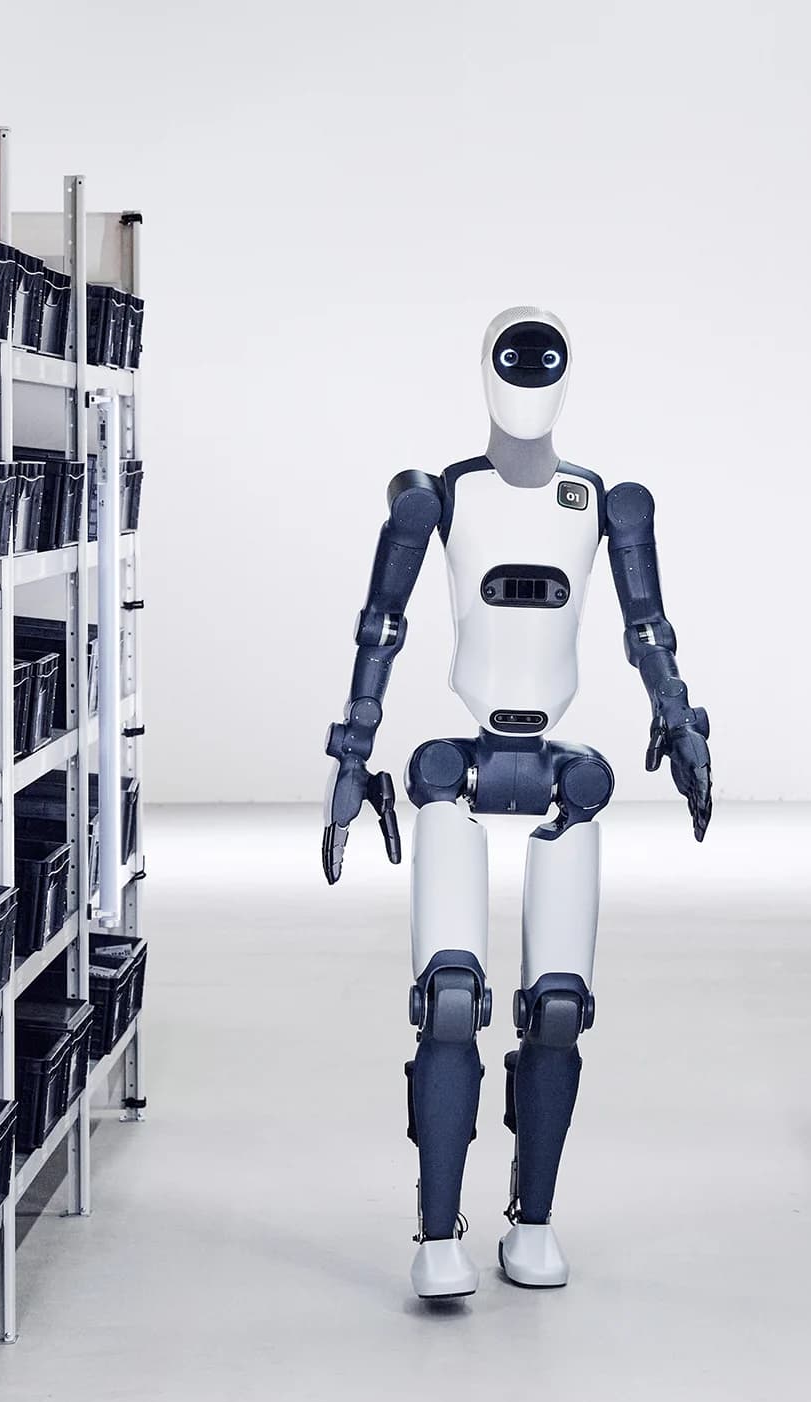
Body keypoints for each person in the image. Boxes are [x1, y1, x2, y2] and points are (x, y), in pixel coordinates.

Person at [320, 307, 714, 1298]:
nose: (526, 376)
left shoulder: (602, 502)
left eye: (542, 361)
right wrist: (351, 750)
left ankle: (531, 1223)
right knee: (449, 1000)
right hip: (455, 763)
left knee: (556, 1013)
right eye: (514, 359)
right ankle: (436, 1234)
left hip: (560, 771)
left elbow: (646, 626)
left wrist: (680, 723)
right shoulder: (439, 496)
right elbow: (382, 625)